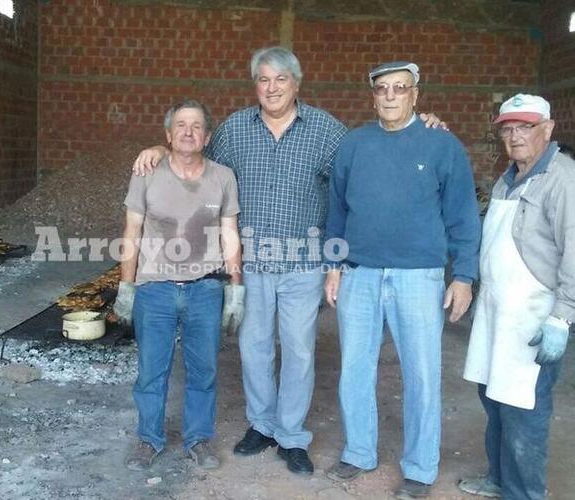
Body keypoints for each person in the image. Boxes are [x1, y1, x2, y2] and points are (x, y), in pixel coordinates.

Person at [133, 47, 445, 476]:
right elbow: (196, 158)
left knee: (299, 351)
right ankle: (261, 425)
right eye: (264, 79)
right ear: (255, 85)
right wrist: (157, 145)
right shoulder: (234, 130)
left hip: (303, 264)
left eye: (281, 79)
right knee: (254, 348)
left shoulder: (327, 131)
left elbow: (363, 166)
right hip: (252, 263)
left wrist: (424, 127)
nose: (272, 87)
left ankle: (291, 435)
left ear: (296, 84)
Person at [324, 61, 481, 499]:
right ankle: (358, 452)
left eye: (400, 88)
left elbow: (464, 217)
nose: (390, 96)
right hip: (359, 273)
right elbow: (336, 210)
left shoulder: (442, 146)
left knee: (422, 374)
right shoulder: (354, 145)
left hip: (419, 277)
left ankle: (420, 466)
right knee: (354, 369)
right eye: (382, 89)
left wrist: (464, 276)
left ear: (416, 94)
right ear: (372, 95)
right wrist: (333, 265)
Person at [113, 99, 244, 471]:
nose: (189, 132)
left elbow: (229, 234)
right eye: (181, 126)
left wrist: (236, 287)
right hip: (155, 289)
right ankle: (148, 439)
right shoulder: (146, 174)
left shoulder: (223, 177)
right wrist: (127, 286)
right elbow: (132, 231)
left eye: (197, 126)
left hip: (206, 289)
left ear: (207, 136)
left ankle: (199, 440)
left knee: (204, 371)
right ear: (169, 135)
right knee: (152, 370)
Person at [458, 94, 575, 500]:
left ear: (547, 128)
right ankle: (498, 479)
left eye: (525, 127)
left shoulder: (563, 179)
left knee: (525, 409)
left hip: (534, 318)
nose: (515, 136)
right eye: (508, 128)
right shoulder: (509, 177)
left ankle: (524, 494)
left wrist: (563, 317)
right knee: (494, 400)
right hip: (495, 313)